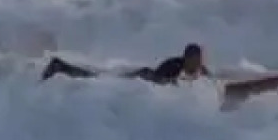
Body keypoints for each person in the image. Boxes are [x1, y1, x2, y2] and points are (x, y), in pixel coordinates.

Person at [41, 43, 208, 85]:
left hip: (146, 77)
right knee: (98, 80)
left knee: (101, 78)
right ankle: (61, 66)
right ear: (187, 58)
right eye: (195, 60)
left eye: (199, 59)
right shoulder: (174, 66)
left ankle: (62, 66)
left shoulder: (199, 68)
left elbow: (209, 78)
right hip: (142, 78)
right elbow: (164, 82)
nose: (198, 63)